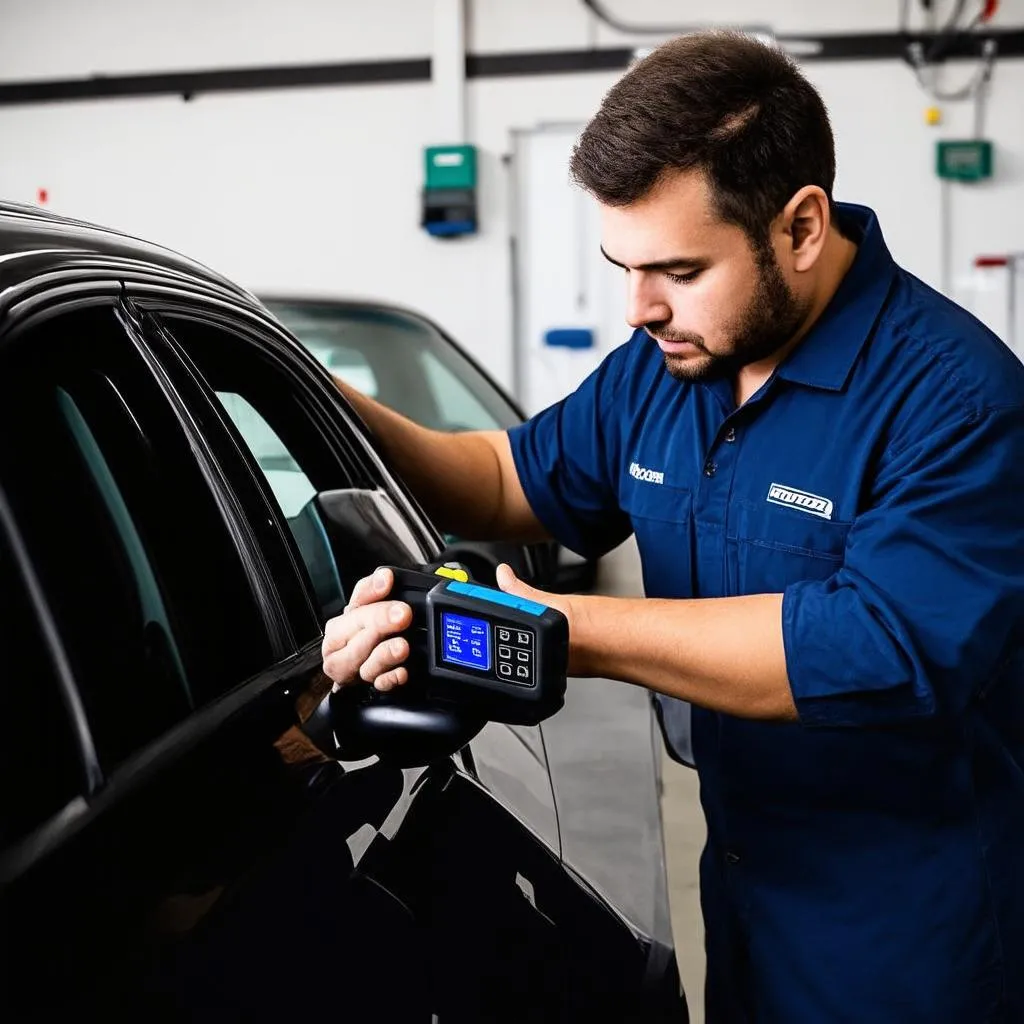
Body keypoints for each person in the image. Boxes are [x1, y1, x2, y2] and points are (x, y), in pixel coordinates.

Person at [320, 31, 1024, 1023]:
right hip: (740, 895)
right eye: (622, 265)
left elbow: (874, 641)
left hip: (909, 937)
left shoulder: (954, 397)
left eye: (678, 269)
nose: (638, 307)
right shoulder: (668, 364)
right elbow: (500, 476)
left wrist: (566, 632)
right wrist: (311, 392)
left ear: (801, 227)